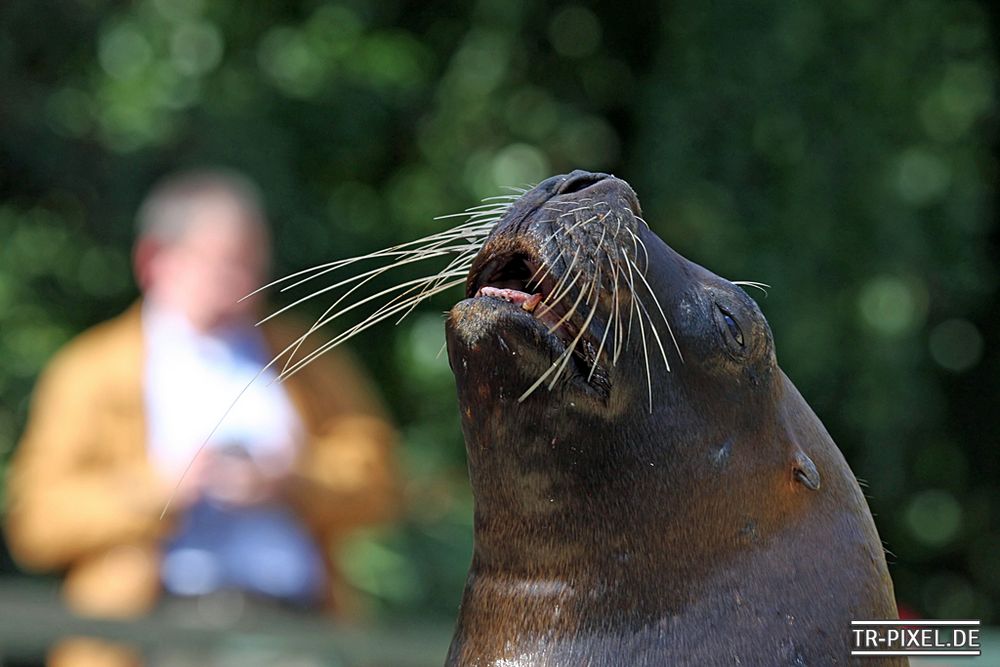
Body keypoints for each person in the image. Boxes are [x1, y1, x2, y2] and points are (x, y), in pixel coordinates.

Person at [4, 169, 400, 667]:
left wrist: (288, 481)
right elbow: (36, 523)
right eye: (224, 264)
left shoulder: (305, 357)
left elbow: (381, 480)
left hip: (295, 632)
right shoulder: (91, 370)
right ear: (154, 260)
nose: (246, 283)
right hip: (148, 638)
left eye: (253, 263)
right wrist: (164, 488)